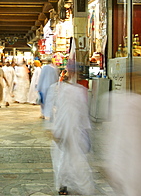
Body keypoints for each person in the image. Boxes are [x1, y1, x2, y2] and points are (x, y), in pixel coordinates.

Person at [49, 65, 94, 195]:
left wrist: (85, 129)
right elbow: (54, 108)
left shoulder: (79, 90)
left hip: (75, 130)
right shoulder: (59, 89)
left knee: (73, 159)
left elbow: (83, 112)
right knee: (64, 158)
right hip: (63, 128)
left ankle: (75, 186)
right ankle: (66, 185)